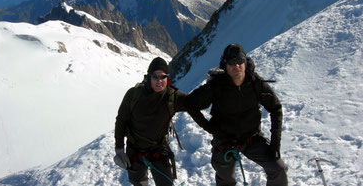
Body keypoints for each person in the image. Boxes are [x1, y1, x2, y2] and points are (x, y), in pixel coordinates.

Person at [186, 43, 288, 186]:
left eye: (240, 61)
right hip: (225, 140)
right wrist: (210, 128)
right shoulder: (216, 86)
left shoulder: (255, 83)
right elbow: (191, 104)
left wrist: (275, 145)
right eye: (231, 62)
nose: (236, 65)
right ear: (225, 65)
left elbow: (275, 108)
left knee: (278, 170)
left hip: (252, 138)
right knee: (224, 178)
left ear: (245, 62)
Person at [114, 57, 193, 186]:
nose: (159, 81)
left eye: (163, 77)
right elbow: (121, 120)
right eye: (155, 76)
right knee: (138, 183)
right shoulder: (134, 94)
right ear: (148, 77)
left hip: (159, 149)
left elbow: (195, 102)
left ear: (167, 78)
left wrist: (213, 86)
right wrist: (119, 148)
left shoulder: (172, 96)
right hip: (135, 150)